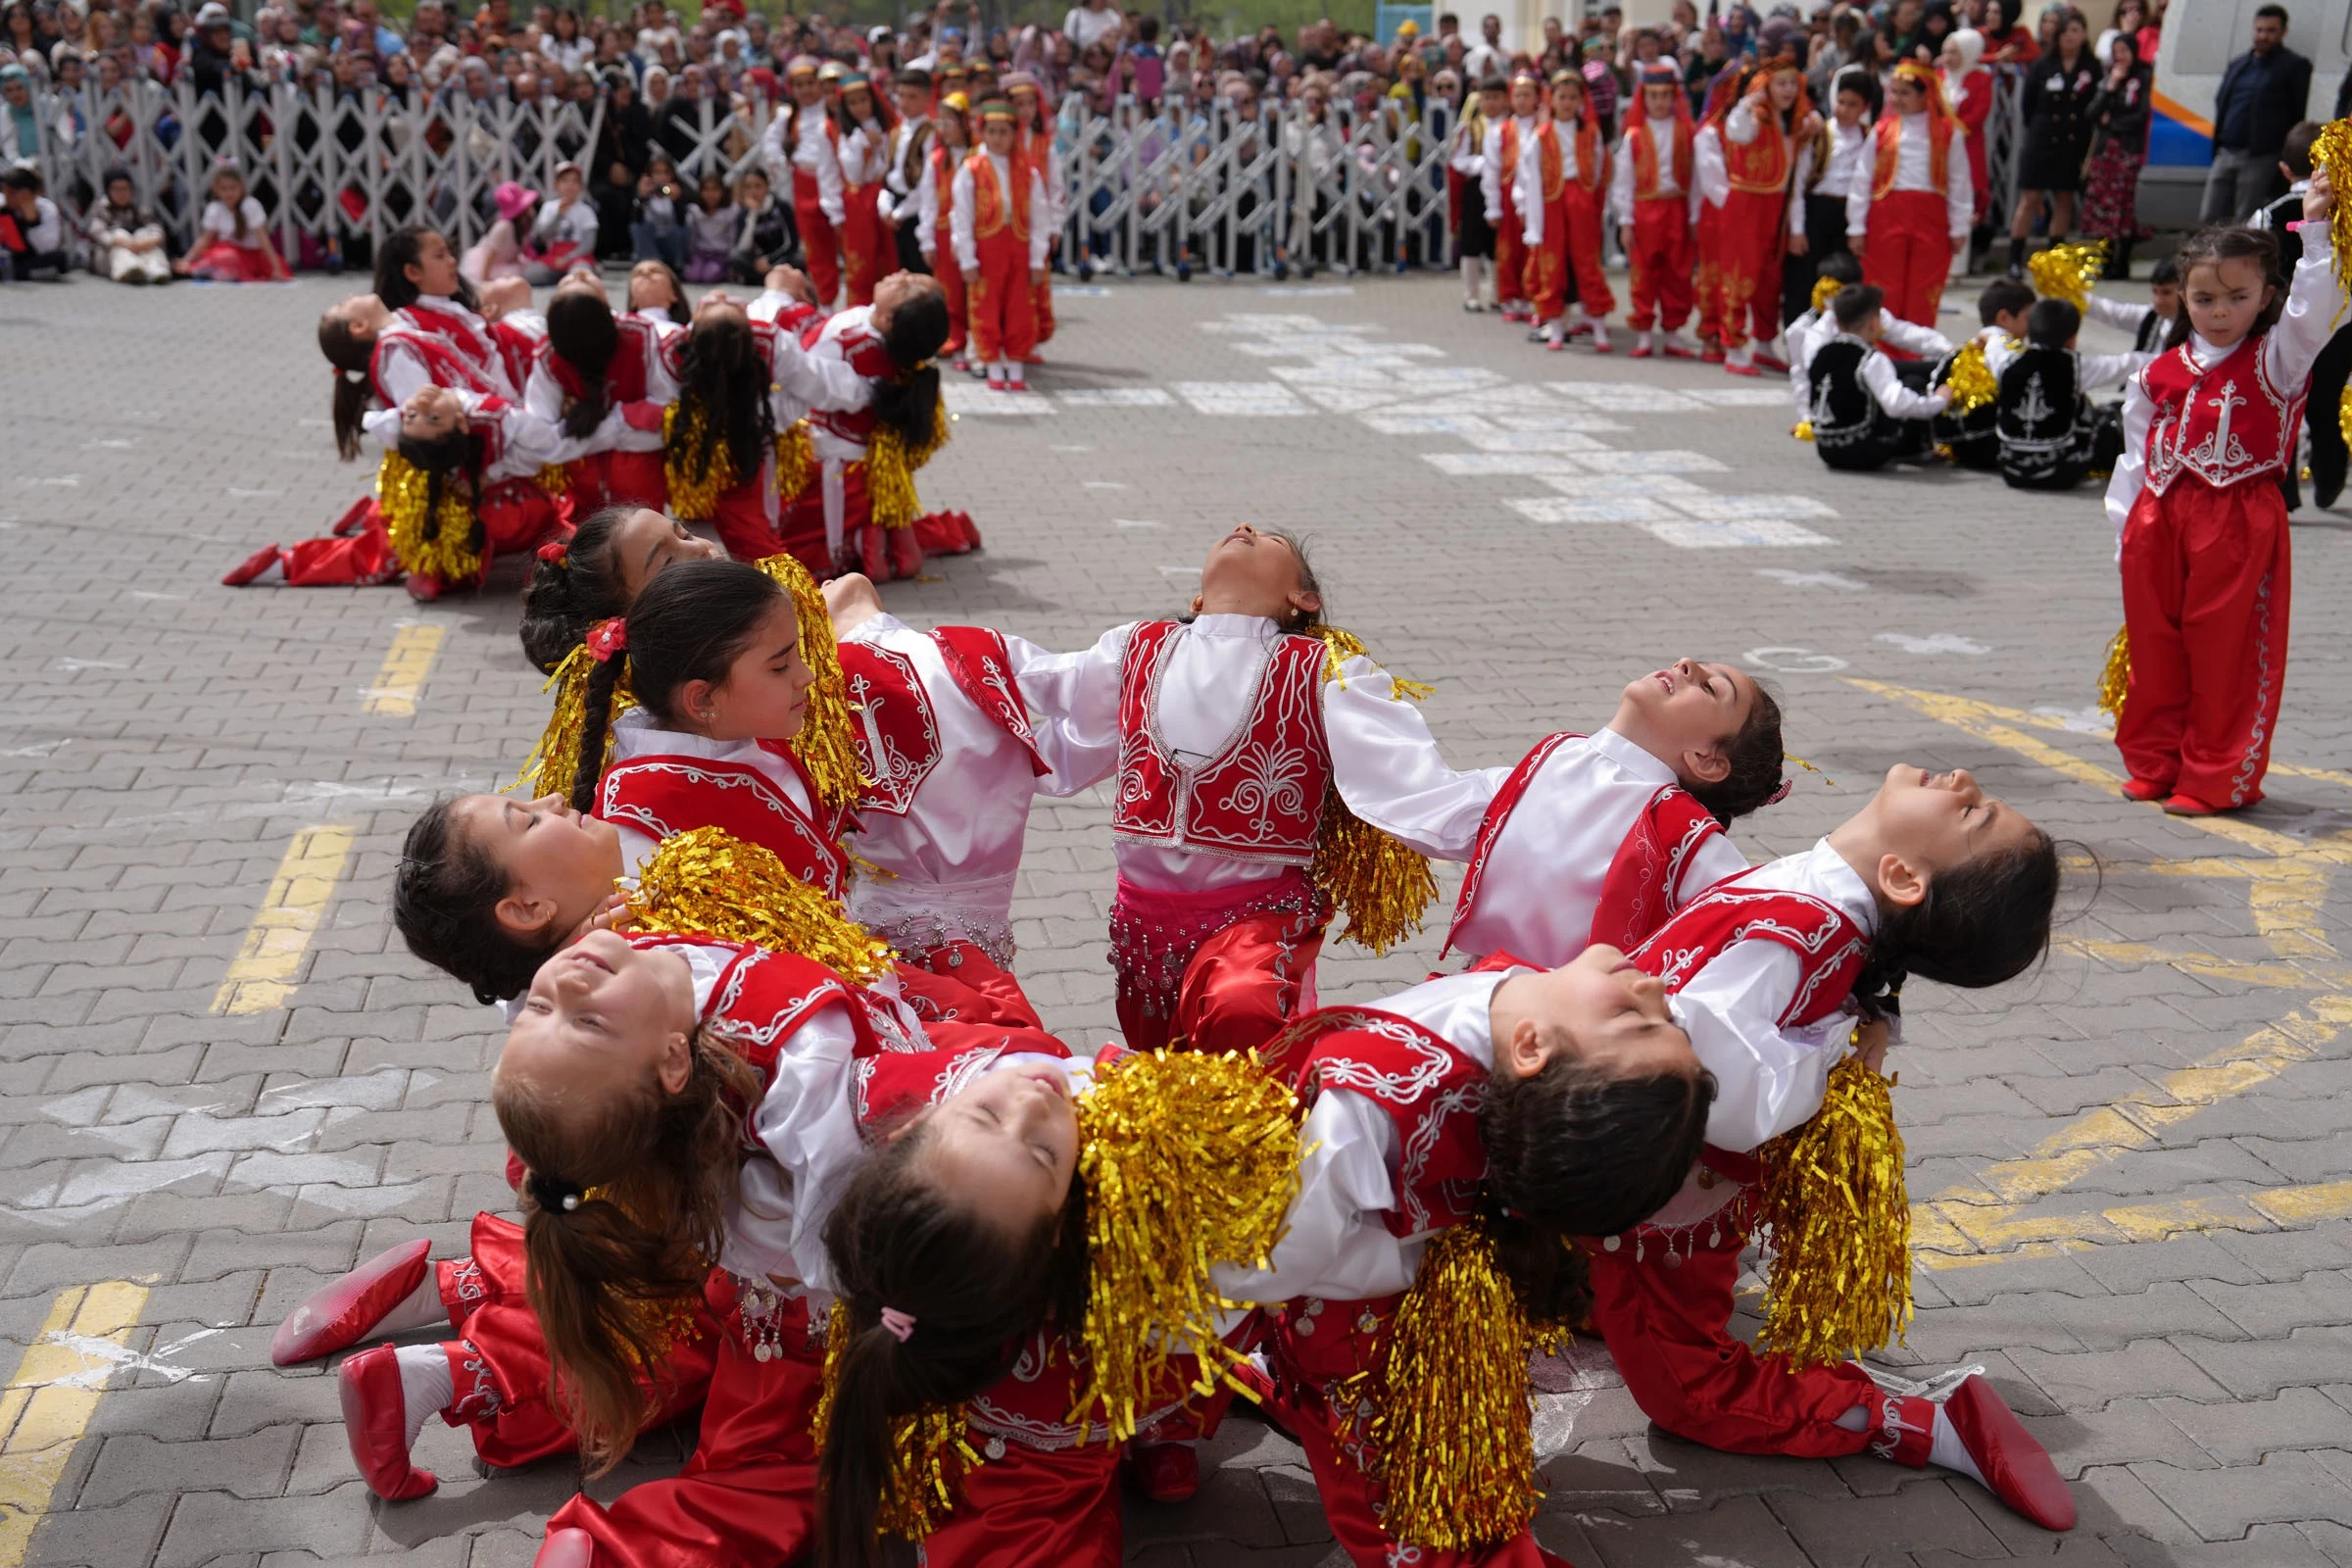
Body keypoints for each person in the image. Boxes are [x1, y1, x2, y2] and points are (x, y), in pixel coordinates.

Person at [812, 946, 1713, 1562]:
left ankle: (1161, 1412)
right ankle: (1158, 1418)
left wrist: (1164, 1309)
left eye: (1642, 1023)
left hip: (1193, 1266)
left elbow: (1269, 1258)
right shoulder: (1511, 1034)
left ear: (1535, 1050)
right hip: (1158, 1240)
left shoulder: (1370, 1117)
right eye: (1660, 1015)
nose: (1651, 988)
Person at [1584, 763, 2073, 1533]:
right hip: (1622, 1154)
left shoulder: (1812, 922)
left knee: (1689, 1395)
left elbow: (1727, 1093)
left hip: (1659, 1200)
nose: (1963, 779)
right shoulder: (1822, 899)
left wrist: (1821, 1059)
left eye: (1972, 811)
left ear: (1904, 874)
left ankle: (1916, 1420)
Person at [1015, 525, 1496, 1056]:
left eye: (1271, 538)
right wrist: (936, 661)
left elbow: (1415, 787)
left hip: (1255, 923)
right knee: (1164, 1069)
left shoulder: (1321, 673)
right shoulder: (1136, 649)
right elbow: (1043, 681)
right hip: (1142, 931)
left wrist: (1542, 794)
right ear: (1196, 598)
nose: (1243, 528)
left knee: (1243, 1015)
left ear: (1303, 598)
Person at [2108, 174, 2344, 814]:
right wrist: (2126, 523)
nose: (2218, 311)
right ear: (2181, 297)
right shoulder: (2155, 370)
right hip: (2157, 519)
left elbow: (2318, 308)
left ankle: (2214, 775)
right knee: (2155, 647)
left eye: (2237, 298)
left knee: (2226, 653)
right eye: (2204, 297)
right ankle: (2154, 761)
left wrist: (2316, 228)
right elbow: (2136, 450)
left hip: (2238, 518)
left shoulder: (2278, 359)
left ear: (2266, 295)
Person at [1445, 659, 1781, 966]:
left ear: (1707, 759)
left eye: (1710, 688)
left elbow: (1767, 925)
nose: (1686, 664)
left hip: (1573, 1021)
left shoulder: (1686, 838)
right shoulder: (1554, 757)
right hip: (1476, 1000)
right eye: (1698, 664)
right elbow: (1433, 800)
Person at [525, 272, 673, 516]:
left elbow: (667, 417)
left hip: (641, 482)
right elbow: (542, 438)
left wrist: (595, 429)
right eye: (567, 283)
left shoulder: (642, 334)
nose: (578, 272)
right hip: (582, 489)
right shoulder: (548, 355)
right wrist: (629, 418)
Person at [1713, 54, 1816, 375]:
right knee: (1740, 276)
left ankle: (1762, 344)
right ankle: (1733, 346)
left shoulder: (1796, 126)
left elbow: (1796, 183)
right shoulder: (1754, 116)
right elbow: (1736, 133)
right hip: (1746, 208)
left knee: (1769, 279)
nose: (1787, 90)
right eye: (1780, 83)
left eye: (1791, 84)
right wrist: (1745, 104)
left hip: (1777, 210)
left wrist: (1796, 227)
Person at [1852, 60, 1971, 328]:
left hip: (1931, 217)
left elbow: (1959, 182)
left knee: (1923, 288)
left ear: (1925, 94)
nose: (1896, 99)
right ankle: (1883, 352)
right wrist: (1856, 226)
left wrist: (1959, 227)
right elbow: (1862, 179)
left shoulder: (1949, 133)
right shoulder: (1881, 131)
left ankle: (1915, 354)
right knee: (1884, 286)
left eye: (1905, 93)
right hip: (1887, 214)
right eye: (1894, 92)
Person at [951, 97, 1050, 392]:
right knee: (986, 306)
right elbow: (962, 216)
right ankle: (993, 364)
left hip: (1019, 248)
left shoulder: (1028, 171)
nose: (997, 138)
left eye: (1003, 132)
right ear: (982, 132)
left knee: (1020, 307)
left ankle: (1016, 366)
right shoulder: (971, 169)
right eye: (991, 131)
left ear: (1014, 134)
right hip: (986, 249)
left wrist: (1036, 261)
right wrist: (967, 259)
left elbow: (1039, 218)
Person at [1993, 297, 2143, 489]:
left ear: (2028, 331)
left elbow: (1994, 346)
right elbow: (2126, 364)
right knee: (2109, 416)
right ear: (2073, 339)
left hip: (2011, 470)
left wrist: (1989, 336)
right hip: (2061, 472)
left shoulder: (2008, 362)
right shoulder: (2075, 366)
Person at [1517, 69, 1614, 352]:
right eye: (1563, 97)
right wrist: (1532, 215)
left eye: (1573, 97)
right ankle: (1556, 326)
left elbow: (1598, 169)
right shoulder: (1541, 135)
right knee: (1553, 261)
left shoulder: (1590, 132)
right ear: (1552, 100)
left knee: (1587, 261)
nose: (1568, 103)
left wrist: (1591, 199)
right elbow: (1531, 176)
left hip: (1580, 197)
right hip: (1552, 201)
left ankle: (1597, 324)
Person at [1806, 282, 1952, 470]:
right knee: (1913, 383)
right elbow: (1896, 404)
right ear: (1875, 323)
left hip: (1827, 451)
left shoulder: (1821, 354)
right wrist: (1938, 401)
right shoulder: (1871, 358)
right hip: (1867, 452)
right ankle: (1915, 450)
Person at [1612, 62, 1700, 359]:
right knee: (1644, 271)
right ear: (1644, 98)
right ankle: (1644, 334)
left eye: (1665, 95)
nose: (1660, 102)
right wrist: (1625, 221)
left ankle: (1673, 333)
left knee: (1678, 272)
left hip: (1676, 207)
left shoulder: (1686, 132)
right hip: (1645, 210)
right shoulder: (1633, 136)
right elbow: (1623, 182)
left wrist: (1693, 215)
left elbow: (1697, 179)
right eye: (1654, 96)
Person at [2006, 10, 2099, 279]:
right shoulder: (2043, 65)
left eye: (2076, 31)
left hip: (2072, 140)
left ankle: (2053, 258)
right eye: (2066, 31)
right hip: (2042, 137)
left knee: (2064, 198)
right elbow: (2028, 106)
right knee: (2030, 198)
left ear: (2084, 35)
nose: (2070, 37)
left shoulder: (2091, 67)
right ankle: (2015, 258)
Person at [2201, 5, 2311, 225]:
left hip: (2260, 157)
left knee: (2245, 219)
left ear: (2283, 32)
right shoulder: (2239, 65)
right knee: (2210, 215)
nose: (2263, 36)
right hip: (2227, 151)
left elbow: (2297, 112)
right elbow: (2222, 102)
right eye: (2259, 30)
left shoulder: (2293, 66)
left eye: (2270, 30)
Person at [1785, 68, 1874, 331]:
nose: (1844, 109)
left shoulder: (1870, 136)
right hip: (1817, 210)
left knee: (1844, 280)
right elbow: (1799, 184)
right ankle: (1798, 340)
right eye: (1841, 102)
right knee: (1804, 280)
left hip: (1849, 214)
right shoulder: (1818, 133)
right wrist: (1797, 230)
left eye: (1852, 104)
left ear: (1865, 107)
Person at [760, 54, 845, 305]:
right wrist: (782, 161)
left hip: (835, 180)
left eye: (811, 83)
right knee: (815, 245)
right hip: (805, 182)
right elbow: (770, 141)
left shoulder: (833, 111)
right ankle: (825, 300)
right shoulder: (788, 116)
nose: (806, 90)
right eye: (799, 85)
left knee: (843, 240)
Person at [1932, 274, 2034, 468]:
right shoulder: (2012, 354)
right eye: (2028, 317)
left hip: (1956, 447)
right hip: (1994, 447)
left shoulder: (1957, 353)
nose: (2031, 325)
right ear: (2004, 317)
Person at [2079, 32, 2152, 278]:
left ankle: (2123, 260)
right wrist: (2109, 88)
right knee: (2103, 210)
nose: (2119, 57)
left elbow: (2141, 116)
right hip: (2105, 154)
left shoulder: (2144, 76)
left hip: (2129, 151)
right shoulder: (2109, 78)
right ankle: (2106, 259)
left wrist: (2112, 123)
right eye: (2116, 51)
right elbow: (2091, 113)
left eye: (2124, 51)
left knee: (2124, 209)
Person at [1481, 70, 1544, 323]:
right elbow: (1491, 170)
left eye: (1527, 95)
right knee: (1509, 249)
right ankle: (1509, 296)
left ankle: (1531, 296)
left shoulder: (1543, 128)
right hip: (1508, 197)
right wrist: (1492, 207)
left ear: (1537, 98)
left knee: (1533, 249)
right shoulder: (1500, 131)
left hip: (1537, 196)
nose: (1521, 100)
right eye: (1517, 95)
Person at [915, 91, 972, 365]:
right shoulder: (936, 159)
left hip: (975, 233)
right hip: (943, 231)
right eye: (941, 123)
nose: (944, 130)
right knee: (949, 291)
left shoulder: (977, 158)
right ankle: (954, 338)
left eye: (950, 122)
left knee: (974, 289)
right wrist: (927, 239)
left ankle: (976, 341)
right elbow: (927, 201)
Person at [832, 72, 899, 307]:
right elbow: (854, 174)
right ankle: (859, 304)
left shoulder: (888, 128)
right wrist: (863, 147)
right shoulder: (849, 137)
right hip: (859, 199)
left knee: (887, 252)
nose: (859, 107)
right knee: (862, 255)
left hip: (884, 193)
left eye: (863, 100)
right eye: (852, 102)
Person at [178, 160, 289, 281]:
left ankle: (210, 272)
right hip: (231, 255)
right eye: (223, 189)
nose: (229, 193)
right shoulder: (215, 208)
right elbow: (205, 239)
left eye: (233, 188)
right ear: (215, 189)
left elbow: (263, 238)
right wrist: (187, 260)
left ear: (242, 186)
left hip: (255, 255)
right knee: (227, 257)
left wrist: (276, 267)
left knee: (236, 262)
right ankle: (198, 270)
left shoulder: (250, 205)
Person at [1449, 74, 1504, 311]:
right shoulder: (1470, 127)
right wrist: (1483, 163)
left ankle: (1498, 293)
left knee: (1498, 243)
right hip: (1476, 187)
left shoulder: (1510, 126)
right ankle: (1471, 294)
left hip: (1503, 188)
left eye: (1496, 98)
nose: (1491, 103)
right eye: (1486, 98)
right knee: (1471, 240)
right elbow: (1457, 160)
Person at [83, 168, 171, 284]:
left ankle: (157, 271)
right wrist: (126, 242)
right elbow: (99, 234)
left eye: (125, 188)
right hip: (110, 254)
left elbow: (156, 228)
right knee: (119, 235)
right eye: (116, 189)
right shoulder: (99, 209)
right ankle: (130, 271)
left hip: (140, 247)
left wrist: (147, 242)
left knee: (144, 235)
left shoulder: (138, 208)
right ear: (108, 191)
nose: (122, 193)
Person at [527, 160, 602, 282]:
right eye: (565, 180)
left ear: (581, 187)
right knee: (530, 275)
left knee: (579, 275)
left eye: (574, 181)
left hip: (578, 255)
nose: (570, 185)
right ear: (556, 185)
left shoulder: (586, 210)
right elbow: (542, 236)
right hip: (554, 255)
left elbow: (589, 244)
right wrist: (559, 215)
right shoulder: (549, 207)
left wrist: (568, 258)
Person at [728, 165, 803, 284]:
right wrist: (753, 215)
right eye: (748, 187)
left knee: (799, 259)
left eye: (758, 186)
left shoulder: (781, 207)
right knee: (735, 257)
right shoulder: (744, 213)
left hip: (780, 257)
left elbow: (792, 243)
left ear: (767, 186)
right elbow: (742, 247)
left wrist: (769, 260)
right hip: (757, 260)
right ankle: (772, 280)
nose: (753, 191)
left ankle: (765, 279)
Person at [631, 149, 687, 270]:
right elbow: (636, 220)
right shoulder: (645, 192)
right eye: (657, 172)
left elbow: (682, 223)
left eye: (666, 172)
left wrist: (677, 201)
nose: (662, 177)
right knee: (640, 227)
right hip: (651, 243)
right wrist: (641, 198)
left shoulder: (677, 191)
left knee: (678, 228)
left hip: (671, 243)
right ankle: (650, 260)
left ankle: (677, 263)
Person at [683, 170, 743, 282]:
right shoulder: (696, 211)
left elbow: (732, 238)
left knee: (710, 276)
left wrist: (731, 262)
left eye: (715, 189)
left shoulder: (729, 211)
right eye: (706, 189)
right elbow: (693, 237)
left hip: (720, 254)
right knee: (692, 275)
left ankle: (725, 272)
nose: (710, 194)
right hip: (701, 253)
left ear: (722, 191)